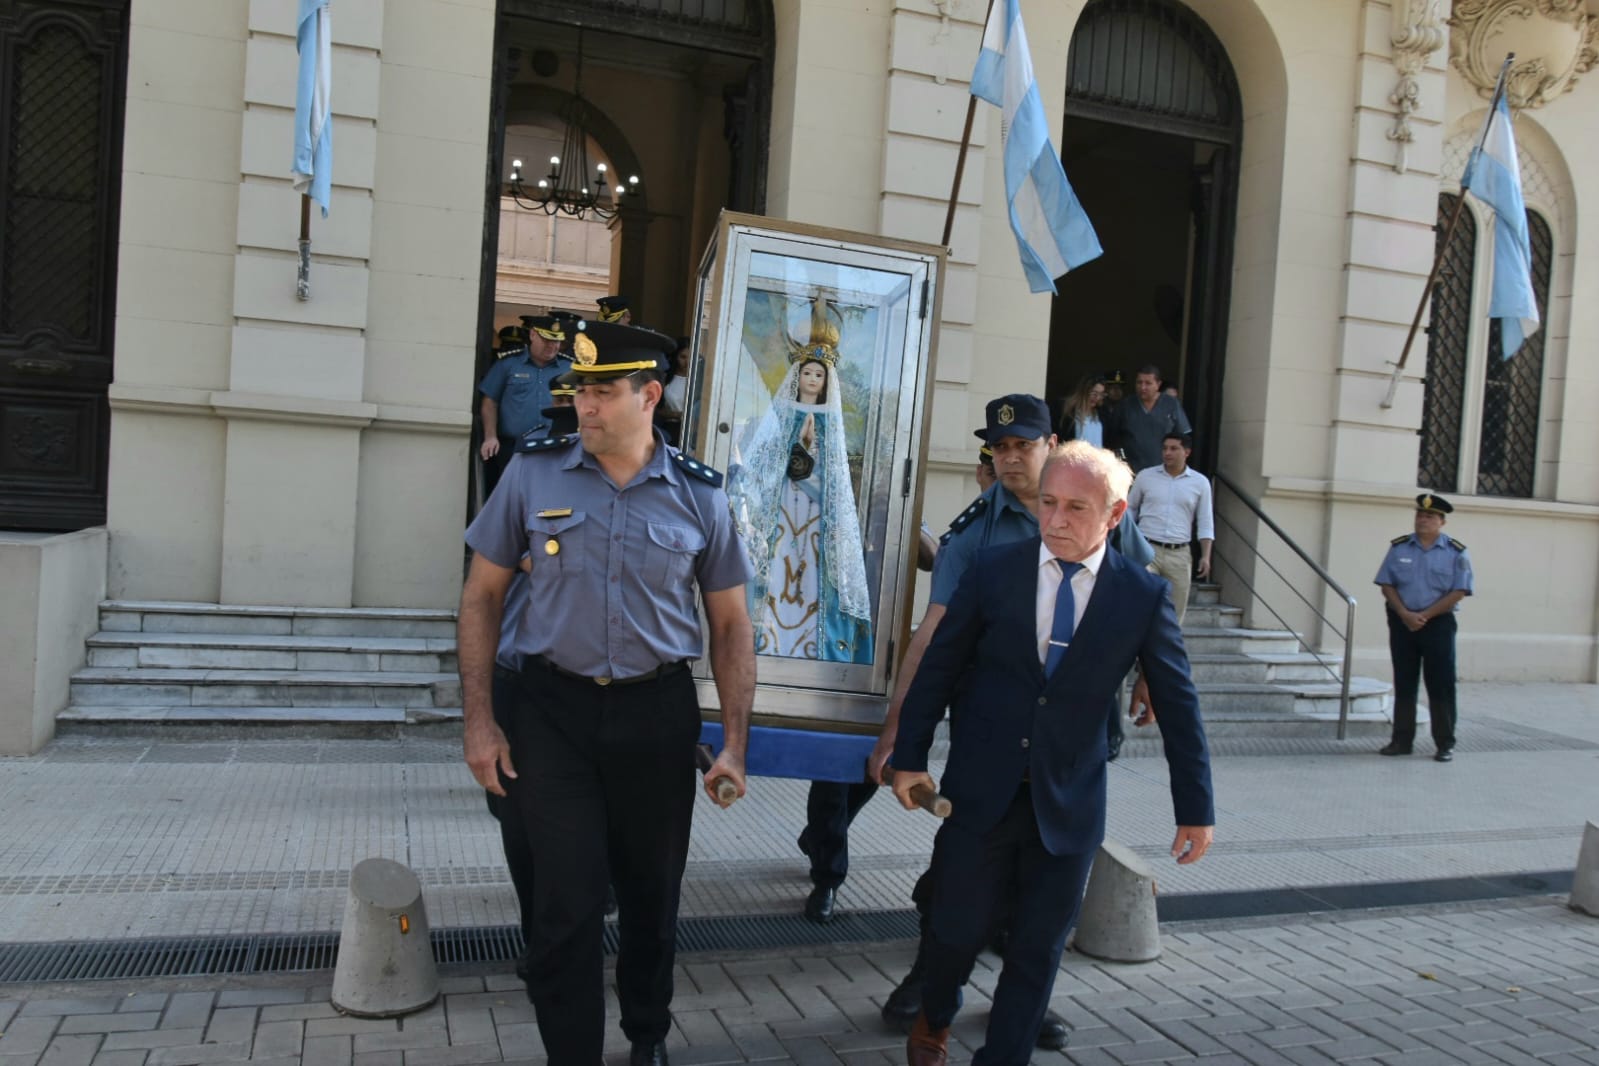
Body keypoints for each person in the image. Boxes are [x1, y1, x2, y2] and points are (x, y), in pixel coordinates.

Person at [458, 319, 755, 1066]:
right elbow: (481, 597)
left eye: (601, 391)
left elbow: (730, 626)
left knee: (652, 896)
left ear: (649, 395)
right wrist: (480, 722)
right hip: (551, 711)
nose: (583, 406)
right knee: (566, 903)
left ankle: (646, 1032)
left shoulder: (700, 495)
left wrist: (735, 745)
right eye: (578, 390)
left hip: (656, 716)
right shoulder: (532, 474)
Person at [892, 441, 1216, 1066]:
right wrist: (909, 756)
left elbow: (1179, 706)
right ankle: (937, 1012)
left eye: (1076, 508)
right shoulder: (993, 570)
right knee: (955, 930)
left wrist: (1195, 809)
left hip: (1068, 804)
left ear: (1115, 515)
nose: (1056, 520)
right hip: (980, 794)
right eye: (1048, 503)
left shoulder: (1141, 596)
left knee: (1038, 948)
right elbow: (939, 669)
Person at [868, 394, 1151, 1053]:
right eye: (1000, 448)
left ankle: (1019, 1006)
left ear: (1052, 445)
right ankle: (934, 988)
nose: (1011, 457)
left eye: (1024, 444)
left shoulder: (1102, 508)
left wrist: (1152, 674)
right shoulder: (974, 536)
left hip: (1067, 745)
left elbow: (1141, 596)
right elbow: (933, 637)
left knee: (1040, 898)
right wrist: (896, 734)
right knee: (956, 889)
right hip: (989, 746)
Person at [729, 301, 872, 665]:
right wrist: (798, 450)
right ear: (798, 376)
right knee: (779, 567)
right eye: (807, 373)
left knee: (811, 572)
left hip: (816, 515)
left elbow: (837, 479)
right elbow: (764, 465)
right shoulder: (781, 418)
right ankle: (770, 642)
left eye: (818, 375)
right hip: (782, 511)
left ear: (827, 382)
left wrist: (810, 454)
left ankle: (812, 645)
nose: (812, 380)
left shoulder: (831, 424)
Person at [1375, 493, 1473, 762]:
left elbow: (1460, 591)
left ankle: (1444, 743)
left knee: (1440, 683)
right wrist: (1405, 614)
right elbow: (1386, 584)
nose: (1422, 520)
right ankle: (1401, 740)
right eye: (1419, 515)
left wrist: (1425, 616)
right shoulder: (1399, 548)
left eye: (1429, 516)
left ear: (1442, 522)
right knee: (1405, 681)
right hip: (1402, 622)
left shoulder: (1456, 552)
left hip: (1437, 623)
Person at [1125, 432, 1214, 625]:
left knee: (1174, 612)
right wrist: (1129, 539)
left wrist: (1206, 556)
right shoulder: (1146, 476)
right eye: (1165, 448)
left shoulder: (1200, 483)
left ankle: (1168, 643)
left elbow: (1205, 521)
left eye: (1174, 449)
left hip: (1179, 553)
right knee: (1141, 604)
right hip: (1147, 548)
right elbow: (1130, 508)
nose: (1167, 453)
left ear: (1186, 452)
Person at [478, 315, 571, 496]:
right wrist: (490, 437)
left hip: (556, 447)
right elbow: (490, 401)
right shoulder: (508, 363)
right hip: (514, 447)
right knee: (510, 496)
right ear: (533, 335)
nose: (552, 346)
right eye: (547, 340)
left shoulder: (569, 368)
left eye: (557, 341)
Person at [1110, 364, 1191, 473]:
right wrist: (1121, 462)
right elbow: (1113, 439)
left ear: (1158, 384)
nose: (1143, 387)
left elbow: (1183, 438)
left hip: (1163, 471)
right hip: (1131, 471)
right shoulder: (1125, 406)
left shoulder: (1171, 404)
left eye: (1148, 383)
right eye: (1139, 382)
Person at [1056, 374, 1106, 447]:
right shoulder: (1067, 412)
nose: (1097, 397)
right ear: (1084, 391)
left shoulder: (1102, 415)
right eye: (1094, 393)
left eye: (1101, 394)